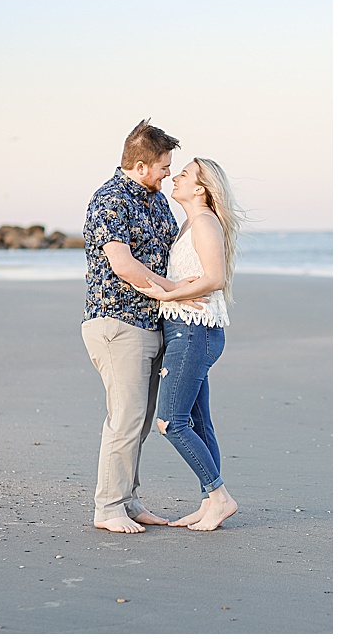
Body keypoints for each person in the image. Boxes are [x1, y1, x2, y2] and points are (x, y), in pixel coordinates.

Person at [81, 118, 207, 534]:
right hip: (118, 322)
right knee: (126, 419)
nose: (169, 173)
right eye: (164, 166)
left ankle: (129, 500)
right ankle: (108, 507)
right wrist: (178, 291)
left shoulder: (156, 200)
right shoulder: (109, 200)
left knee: (140, 419)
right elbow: (123, 265)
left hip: (152, 325)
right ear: (139, 165)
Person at [133, 158, 243, 531]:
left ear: (200, 188)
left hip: (193, 331)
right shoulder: (190, 224)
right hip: (189, 329)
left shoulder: (206, 223)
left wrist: (170, 295)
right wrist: (167, 289)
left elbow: (214, 278)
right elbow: (187, 280)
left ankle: (219, 496)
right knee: (198, 421)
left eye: (183, 175)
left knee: (171, 422)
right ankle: (209, 503)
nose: (175, 177)